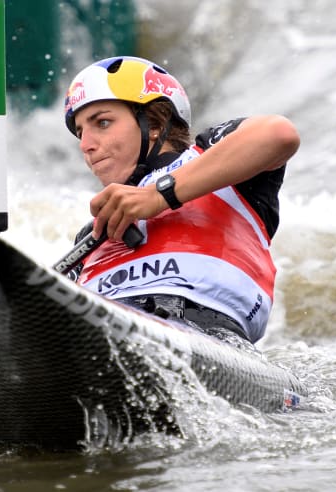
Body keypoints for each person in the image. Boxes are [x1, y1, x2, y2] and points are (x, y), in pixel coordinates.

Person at [63, 56, 300, 344]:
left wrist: (157, 196)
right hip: (101, 334)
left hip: (208, 335)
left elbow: (279, 134)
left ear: (153, 122)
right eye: (80, 132)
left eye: (102, 122)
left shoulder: (212, 158)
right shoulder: (93, 233)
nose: (86, 145)